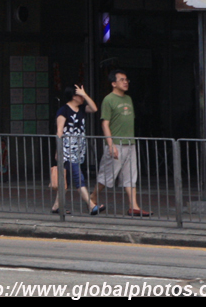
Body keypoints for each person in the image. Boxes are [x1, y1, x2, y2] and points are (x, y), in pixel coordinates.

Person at [88, 70, 151, 217]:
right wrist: (111, 145)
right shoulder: (108, 99)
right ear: (113, 83)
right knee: (107, 175)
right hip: (116, 143)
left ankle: (133, 206)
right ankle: (93, 197)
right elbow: (105, 124)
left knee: (131, 175)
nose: (125, 82)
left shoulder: (128, 98)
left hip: (130, 142)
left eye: (126, 79)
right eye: (122, 79)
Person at [51, 84, 100, 215]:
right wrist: (58, 150)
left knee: (65, 179)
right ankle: (91, 205)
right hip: (67, 150)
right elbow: (59, 131)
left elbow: (94, 108)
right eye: (80, 95)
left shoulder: (82, 109)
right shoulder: (63, 110)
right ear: (73, 96)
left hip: (79, 150)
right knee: (78, 177)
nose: (82, 97)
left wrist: (85, 95)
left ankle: (56, 206)